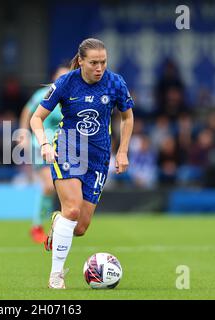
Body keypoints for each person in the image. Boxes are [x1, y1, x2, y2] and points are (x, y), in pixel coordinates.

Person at [30, 38, 134, 289]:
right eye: (94, 63)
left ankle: (58, 223)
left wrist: (122, 151)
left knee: (80, 227)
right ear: (81, 62)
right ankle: (56, 276)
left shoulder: (115, 82)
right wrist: (44, 143)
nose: (100, 68)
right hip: (67, 149)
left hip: (99, 157)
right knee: (73, 209)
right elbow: (36, 118)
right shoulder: (66, 82)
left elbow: (127, 117)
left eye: (103, 62)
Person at [19, 64, 69, 243]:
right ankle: (37, 226)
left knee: (60, 188)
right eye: (60, 76)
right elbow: (28, 111)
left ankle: (56, 225)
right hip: (42, 144)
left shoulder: (72, 98)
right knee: (48, 185)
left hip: (65, 147)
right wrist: (24, 132)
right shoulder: (46, 94)